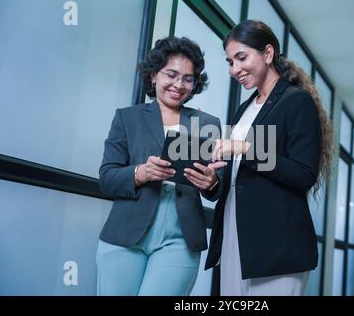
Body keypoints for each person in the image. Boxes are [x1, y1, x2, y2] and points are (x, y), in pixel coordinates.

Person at [191, 20, 333, 296]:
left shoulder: (296, 101)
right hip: (235, 231)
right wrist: (212, 183)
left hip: (277, 241)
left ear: (268, 54)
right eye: (230, 62)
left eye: (241, 58)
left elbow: (303, 175)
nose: (235, 70)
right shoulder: (243, 108)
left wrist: (245, 149)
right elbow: (236, 177)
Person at [96, 36, 225, 296]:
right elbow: (107, 178)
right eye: (172, 74)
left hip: (181, 238)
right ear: (154, 75)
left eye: (188, 78)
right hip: (125, 234)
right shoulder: (127, 118)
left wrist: (212, 183)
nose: (179, 84)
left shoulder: (207, 123)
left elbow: (216, 186)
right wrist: (140, 173)